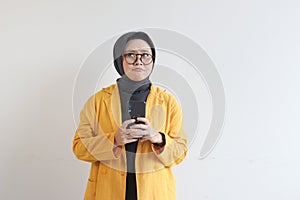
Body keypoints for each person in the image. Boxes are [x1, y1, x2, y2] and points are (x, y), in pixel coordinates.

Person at [73, 31, 187, 200]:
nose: (138, 61)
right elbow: (79, 147)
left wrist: (157, 138)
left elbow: (180, 152)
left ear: (153, 60)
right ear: (120, 60)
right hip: (108, 191)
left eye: (145, 55)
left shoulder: (168, 102)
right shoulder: (97, 101)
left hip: (154, 192)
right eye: (131, 55)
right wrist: (114, 140)